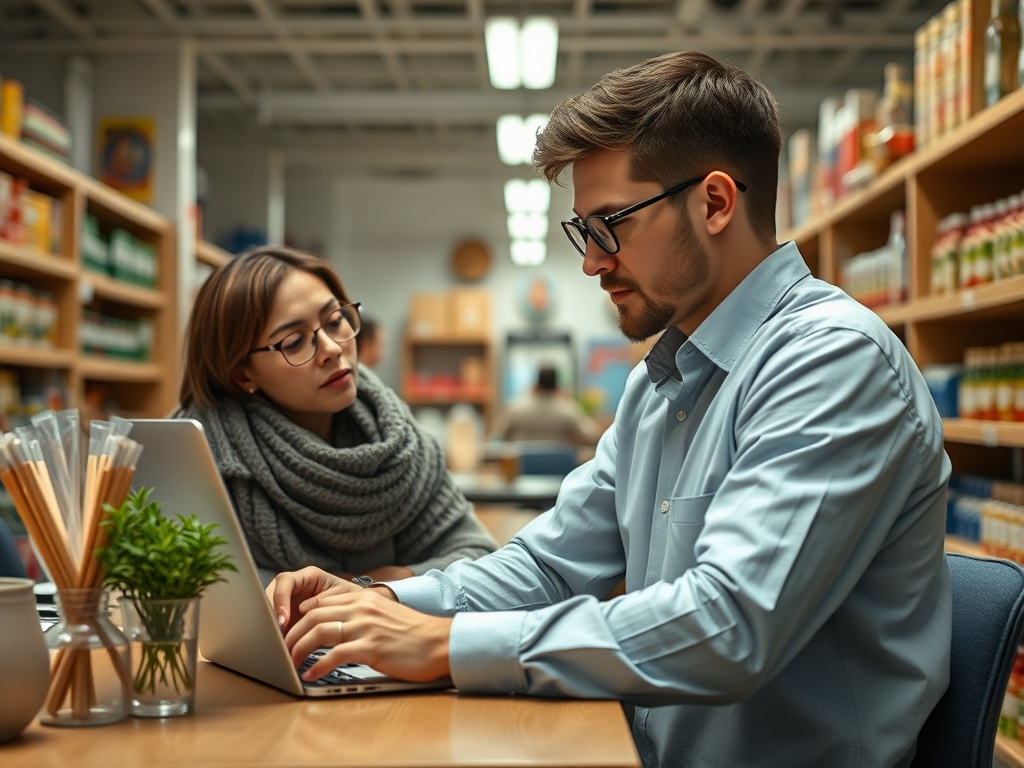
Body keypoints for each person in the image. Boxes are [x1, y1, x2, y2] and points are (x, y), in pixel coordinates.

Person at [268, 52, 952, 767]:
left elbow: (728, 626)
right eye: (583, 232)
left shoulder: (830, 362)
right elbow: (551, 565)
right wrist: (372, 605)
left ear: (715, 202)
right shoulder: (660, 382)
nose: (592, 263)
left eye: (609, 224)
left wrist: (446, 645)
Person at [176, 245, 497, 586]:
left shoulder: (401, 441)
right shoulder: (198, 454)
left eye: (334, 321)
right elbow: (198, 585)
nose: (331, 348)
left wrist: (386, 584)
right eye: (294, 341)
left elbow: (480, 556)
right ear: (243, 375)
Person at [492, 364, 601, 448]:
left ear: (536, 385)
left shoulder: (516, 408)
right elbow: (593, 437)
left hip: (521, 474)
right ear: (557, 386)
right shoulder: (568, 410)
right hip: (560, 473)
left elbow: (497, 438)